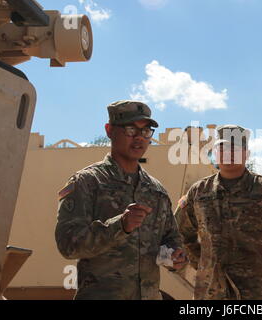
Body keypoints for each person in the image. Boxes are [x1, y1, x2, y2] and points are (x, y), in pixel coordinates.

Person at [55, 100, 186, 300]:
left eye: (146, 131)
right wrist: (120, 226)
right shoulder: (88, 182)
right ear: (109, 130)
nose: (139, 138)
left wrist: (175, 257)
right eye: (130, 129)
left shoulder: (156, 191)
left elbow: (171, 239)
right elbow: (68, 245)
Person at [175, 125, 262, 300]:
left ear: (247, 154)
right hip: (210, 291)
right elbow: (182, 232)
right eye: (223, 148)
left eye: (235, 148)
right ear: (215, 152)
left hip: (254, 290)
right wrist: (202, 263)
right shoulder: (199, 191)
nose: (228, 153)